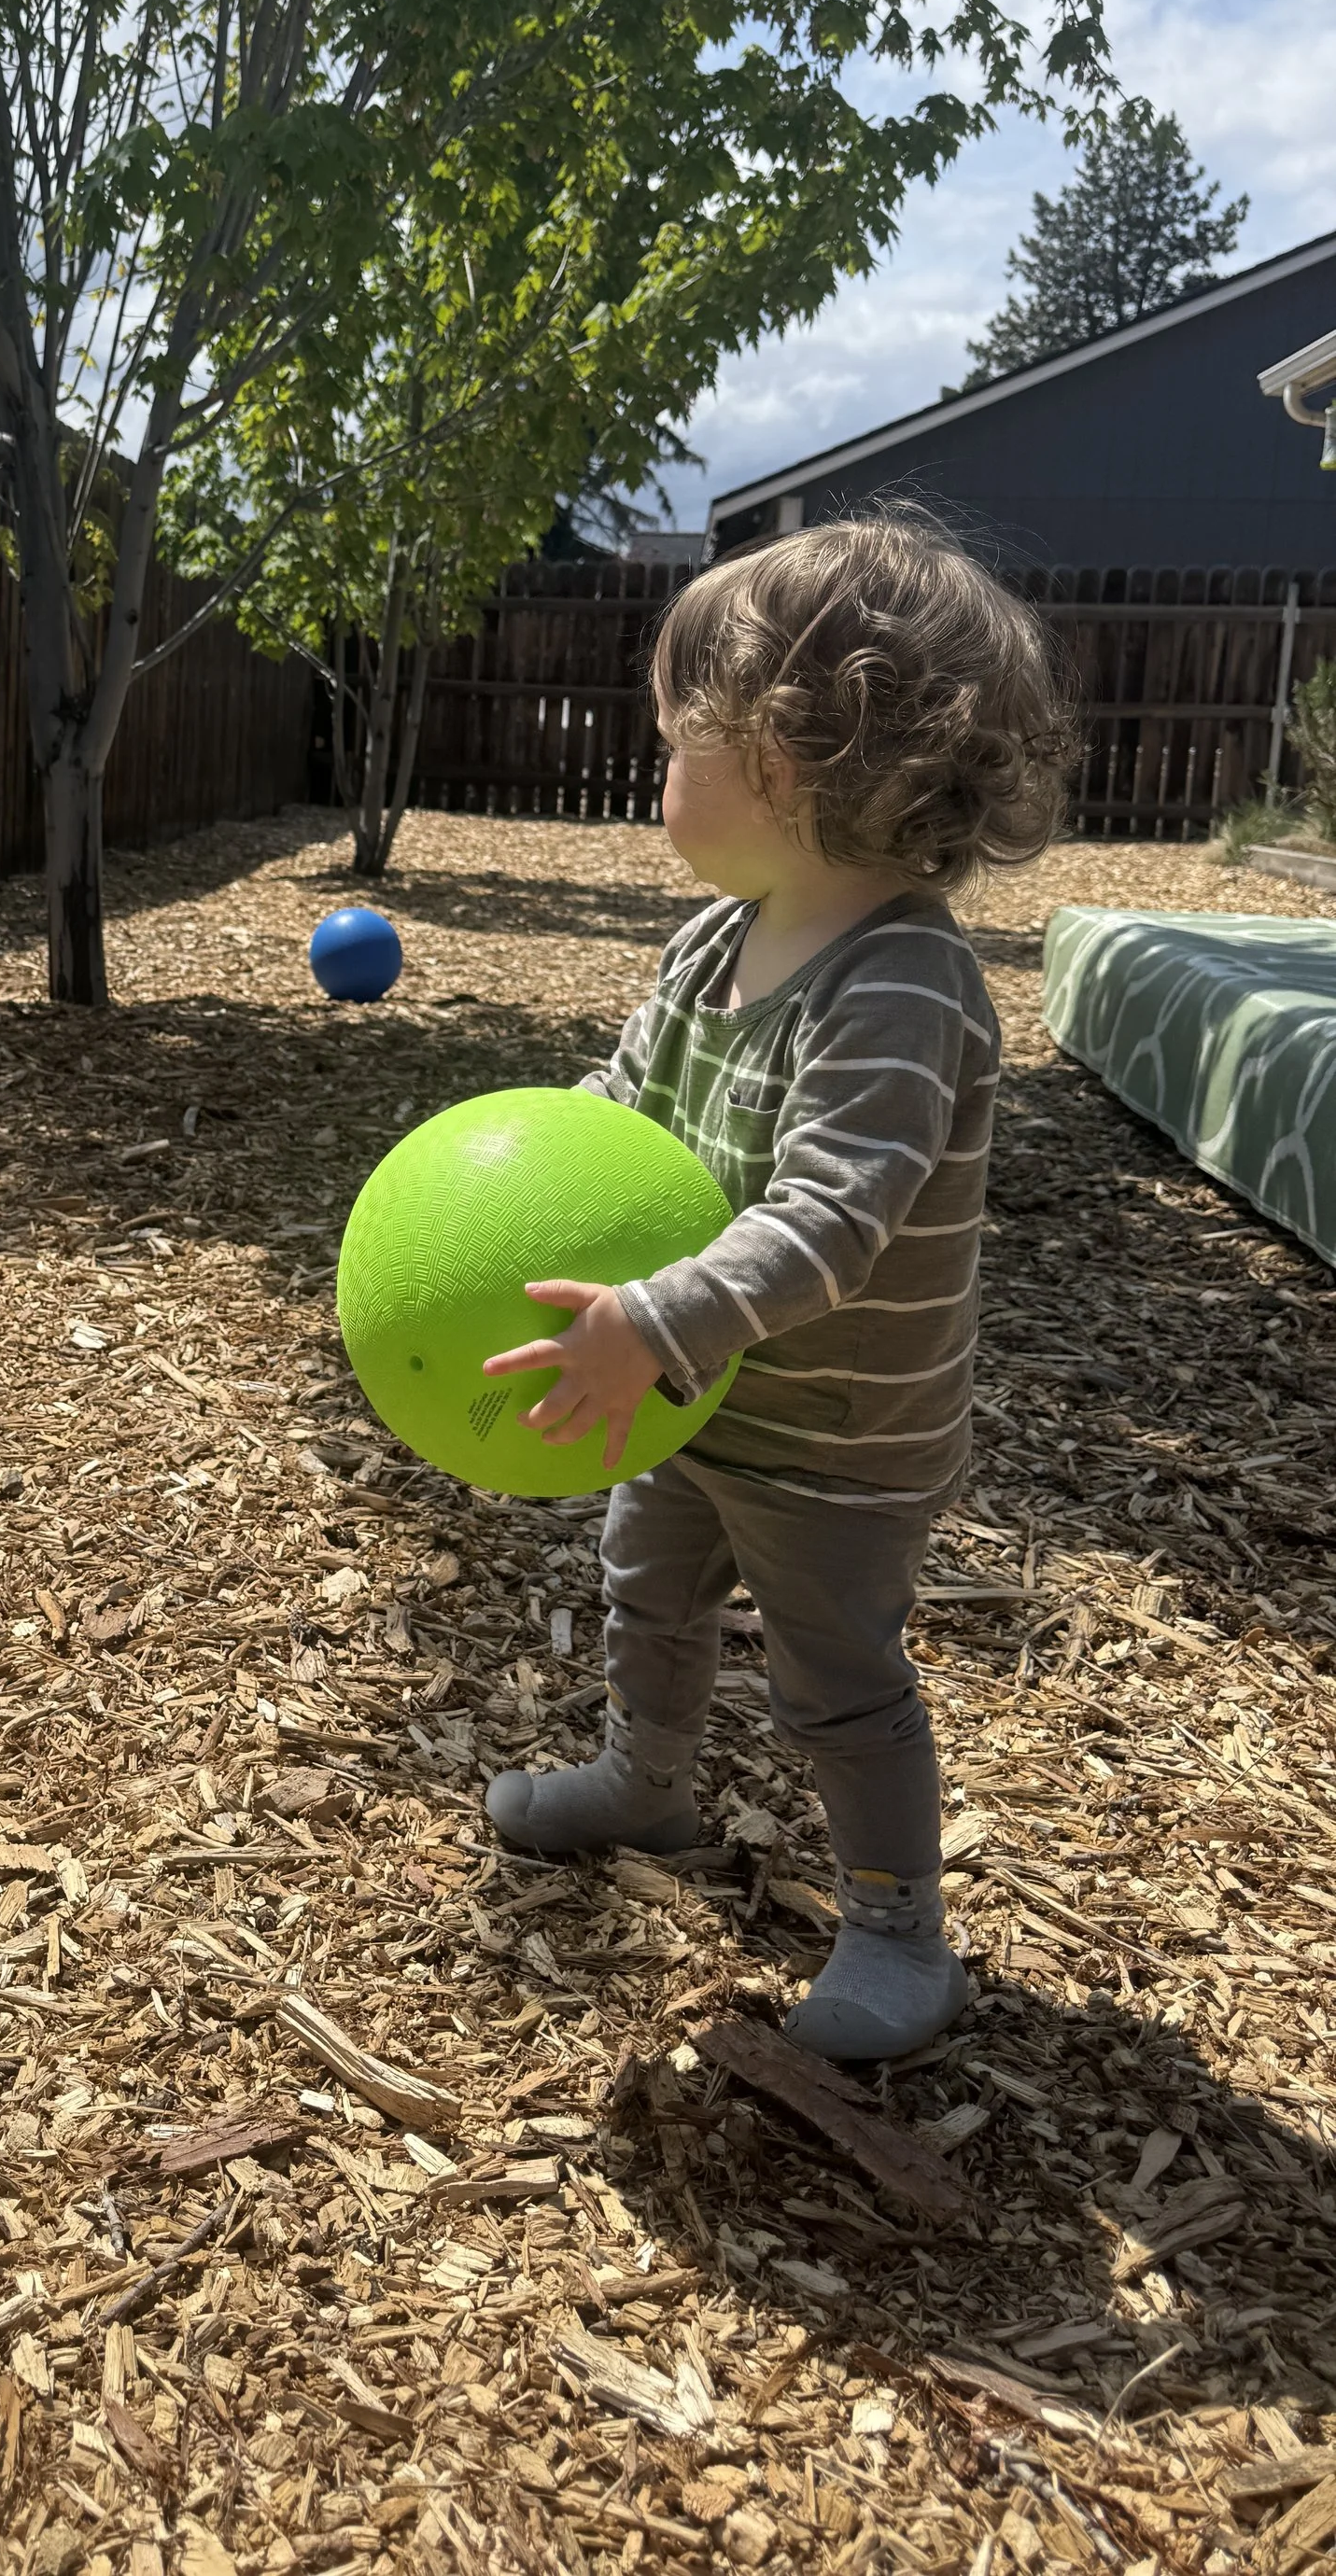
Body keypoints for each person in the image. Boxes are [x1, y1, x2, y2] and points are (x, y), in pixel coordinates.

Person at [481, 513, 1076, 2060]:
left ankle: (897, 1928)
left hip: (838, 1435)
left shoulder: (901, 979)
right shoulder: (709, 947)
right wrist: (504, 1186)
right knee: (647, 1590)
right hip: (696, 1402)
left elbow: (837, 1218)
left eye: (682, 740)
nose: (657, 771)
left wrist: (654, 1323)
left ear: (794, 762)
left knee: (836, 1683)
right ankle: (648, 1782)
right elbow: (622, 1111)